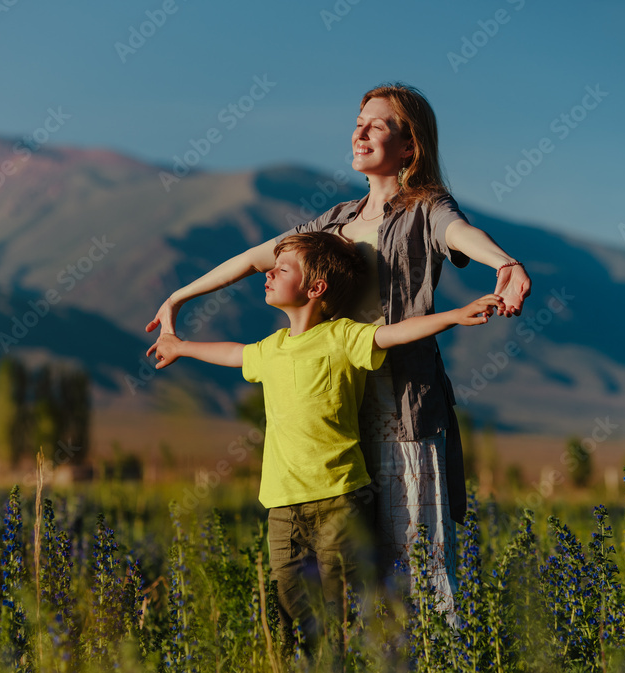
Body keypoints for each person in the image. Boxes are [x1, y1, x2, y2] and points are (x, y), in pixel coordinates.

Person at [147, 82, 531, 609]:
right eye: (358, 123)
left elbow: (459, 232)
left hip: (402, 412)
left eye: (378, 124)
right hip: (338, 423)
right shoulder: (333, 223)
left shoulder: (426, 208)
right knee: (363, 584)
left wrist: (504, 263)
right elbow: (255, 257)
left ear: (409, 146)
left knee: (420, 569)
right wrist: (179, 296)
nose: (361, 132)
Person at [151, 231, 505, 655]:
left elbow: (395, 334)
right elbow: (231, 353)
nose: (266, 275)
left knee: (344, 613)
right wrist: (181, 345)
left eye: (280, 270)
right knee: (292, 613)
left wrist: (455, 315)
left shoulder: (341, 337)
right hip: (281, 506)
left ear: (315, 288)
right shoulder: (271, 348)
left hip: (340, 501)